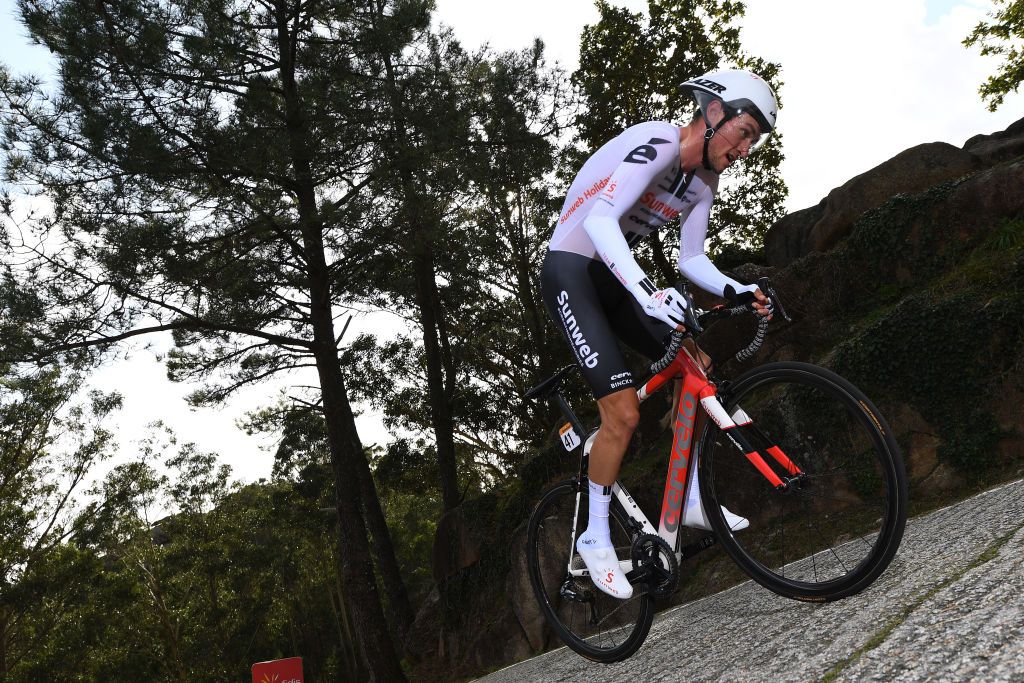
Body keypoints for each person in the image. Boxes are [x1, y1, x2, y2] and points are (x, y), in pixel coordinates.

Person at [540, 69, 777, 599]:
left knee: (697, 363)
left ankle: (690, 492)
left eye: (753, 142)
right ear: (713, 112)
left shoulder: (703, 183)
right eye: (743, 131)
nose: (743, 149)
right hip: (572, 270)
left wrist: (739, 290)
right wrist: (649, 292)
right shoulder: (660, 140)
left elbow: (691, 258)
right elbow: (602, 222)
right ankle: (594, 535)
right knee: (622, 412)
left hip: (611, 277)